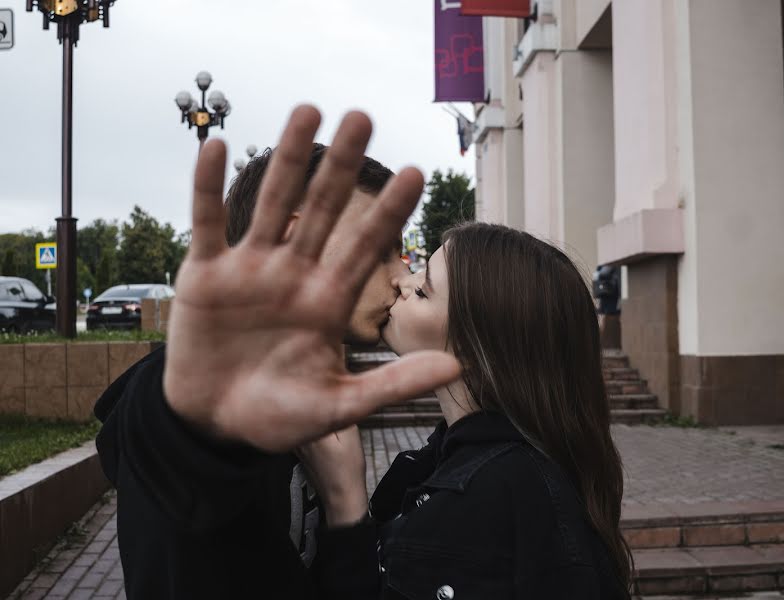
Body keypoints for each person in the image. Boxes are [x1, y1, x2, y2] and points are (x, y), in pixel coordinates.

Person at [93, 107, 460, 599]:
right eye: (380, 249)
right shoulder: (192, 401)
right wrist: (194, 428)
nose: (401, 274)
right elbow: (179, 441)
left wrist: (348, 512)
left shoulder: (304, 401)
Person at [302, 223, 634, 599]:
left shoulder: (491, 499)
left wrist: (345, 498)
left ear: (476, 351)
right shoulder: (463, 462)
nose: (402, 283)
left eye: (424, 290)